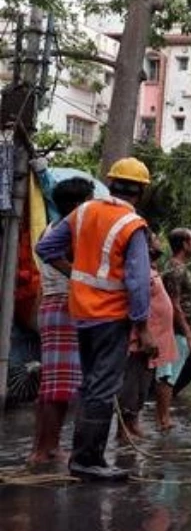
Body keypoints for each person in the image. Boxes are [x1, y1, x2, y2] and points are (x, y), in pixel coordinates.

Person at [36, 157, 156, 481]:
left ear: (110, 182)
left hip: (82, 314)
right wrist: (143, 327)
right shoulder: (132, 225)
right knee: (103, 387)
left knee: (90, 385)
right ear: (141, 191)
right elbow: (137, 281)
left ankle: (82, 457)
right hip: (111, 317)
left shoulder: (83, 212)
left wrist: (75, 275)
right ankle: (88, 460)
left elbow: (45, 247)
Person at [27, 177, 95, 466]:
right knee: (59, 388)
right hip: (65, 307)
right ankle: (45, 450)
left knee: (53, 384)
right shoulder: (70, 231)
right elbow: (68, 265)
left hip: (53, 307)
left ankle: (45, 447)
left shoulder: (51, 229)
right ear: (79, 204)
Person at [117, 233, 175, 441]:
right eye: (155, 238)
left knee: (143, 384)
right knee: (132, 383)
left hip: (155, 338)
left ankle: (133, 425)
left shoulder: (150, 268)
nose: (160, 240)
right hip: (142, 337)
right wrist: (143, 332)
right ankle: (123, 430)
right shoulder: (140, 270)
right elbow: (136, 298)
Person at [158, 227, 191, 431]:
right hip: (175, 331)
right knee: (168, 375)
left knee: (169, 375)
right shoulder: (176, 269)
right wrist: (189, 335)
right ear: (184, 245)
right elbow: (174, 304)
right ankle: (164, 420)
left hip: (178, 330)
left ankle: (163, 418)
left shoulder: (177, 267)